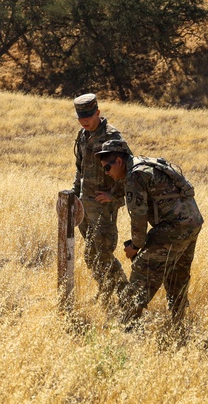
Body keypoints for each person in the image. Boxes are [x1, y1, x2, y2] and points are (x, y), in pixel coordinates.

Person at [96, 139, 203, 328]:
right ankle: (178, 324)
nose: (108, 174)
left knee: (142, 271)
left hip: (173, 228)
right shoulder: (146, 163)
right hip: (192, 224)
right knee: (177, 273)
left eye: (107, 168)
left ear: (119, 161)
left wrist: (135, 247)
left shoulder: (135, 176)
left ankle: (127, 328)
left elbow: (138, 218)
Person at [71, 93, 130, 307]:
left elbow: (129, 172)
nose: (85, 121)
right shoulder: (82, 135)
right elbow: (80, 169)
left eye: (88, 116)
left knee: (103, 254)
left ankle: (127, 297)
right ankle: (105, 292)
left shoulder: (112, 138)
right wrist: (74, 194)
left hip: (104, 208)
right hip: (84, 207)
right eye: (81, 117)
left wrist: (113, 196)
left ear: (98, 112)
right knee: (90, 255)